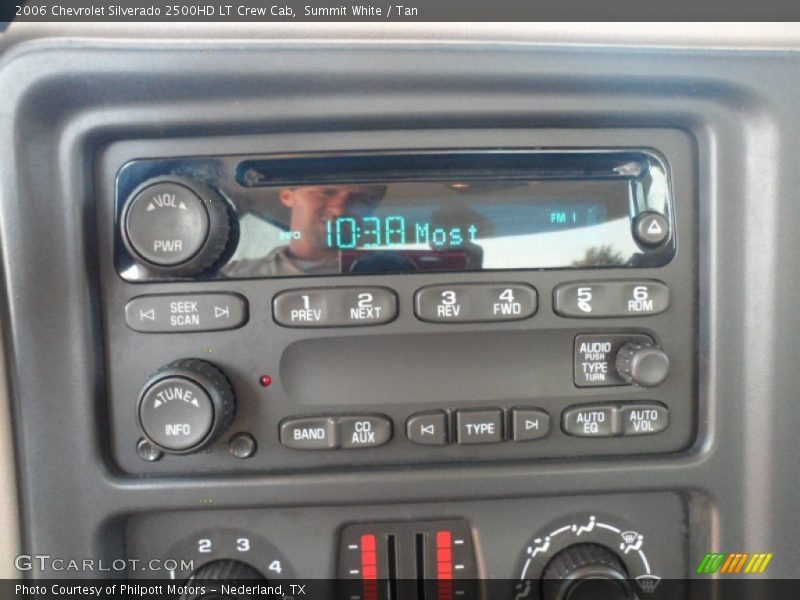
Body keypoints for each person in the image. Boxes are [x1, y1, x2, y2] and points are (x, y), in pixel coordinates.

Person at [224, 184, 386, 277]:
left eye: (362, 200)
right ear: (287, 196)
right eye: (326, 192)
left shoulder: (386, 271)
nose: (339, 209)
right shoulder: (233, 274)